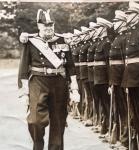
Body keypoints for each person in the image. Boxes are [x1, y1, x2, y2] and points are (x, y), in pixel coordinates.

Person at [18, 9, 80, 150]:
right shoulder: (31, 41)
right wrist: (24, 92)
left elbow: (71, 67)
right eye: (45, 26)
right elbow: (23, 69)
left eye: (51, 25)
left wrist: (75, 89)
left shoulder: (63, 40)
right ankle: (38, 145)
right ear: (39, 26)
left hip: (59, 82)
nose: (48, 28)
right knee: (35, 121)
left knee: (58, 121)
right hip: (38, 82)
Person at [121, 2, 139, 150]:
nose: (127, 16)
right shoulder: (129, 33)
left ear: (138, 16)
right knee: (134, 114)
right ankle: (136, 144)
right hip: (130, 79)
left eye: (130, 14)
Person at [109, 10, 128, 149]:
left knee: (125, 111)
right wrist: (111, 83)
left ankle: (125, 139)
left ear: (122, 23)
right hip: (116, 80)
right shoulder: (117, 39)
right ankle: (120, 137)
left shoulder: (124, 39)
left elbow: (126, 63)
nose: (114, 24)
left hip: (123, 80)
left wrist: (125, 82)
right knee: (119, 110)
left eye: (116, 21)